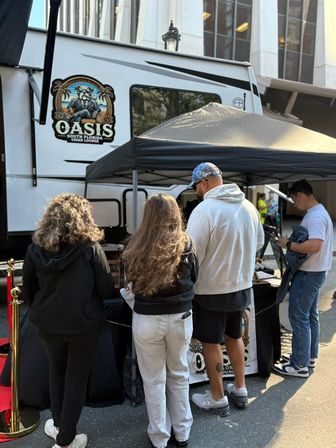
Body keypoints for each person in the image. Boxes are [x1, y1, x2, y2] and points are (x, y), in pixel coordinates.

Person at [22, 193, 115, 448]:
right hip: (83, 324)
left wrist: (41, 307)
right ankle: (65, 440)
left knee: (57, 371)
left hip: (48, 324)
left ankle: (61, 428)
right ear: (83, 217)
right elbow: (106, 288)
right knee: (76, 378)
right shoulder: (89, 247)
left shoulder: (35, 248)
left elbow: (27, 288)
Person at [186, 162, 264, 414]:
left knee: (211, 343)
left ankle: (218, 396)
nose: (196, 191)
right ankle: (240, 387)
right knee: (235, 337)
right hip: (240, 286)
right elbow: (260, 241)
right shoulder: (248, 206)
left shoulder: (205, 209)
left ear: (204, 183)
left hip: (210, 290)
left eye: (196, 186)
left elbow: (191, 252)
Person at [122, 193, 198, 448]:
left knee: (153, 380)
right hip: (180, 317)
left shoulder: (135, 245)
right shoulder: (185, 243)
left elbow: (129, 283)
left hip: (146, 319)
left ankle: (159, 437)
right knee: (179, 373)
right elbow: (194, 277)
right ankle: (183, 433)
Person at [273, 179, 333, 378]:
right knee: (310, 316)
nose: (294, 204)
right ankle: (308, 357)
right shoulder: (318, 212)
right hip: (316, 272)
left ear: (299, 194)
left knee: (299, 316)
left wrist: (288, 244)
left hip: (309, 273)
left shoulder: (315, 216)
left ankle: (299, 365)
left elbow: (315, 245)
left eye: (293, 200)